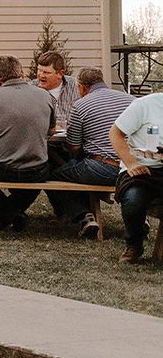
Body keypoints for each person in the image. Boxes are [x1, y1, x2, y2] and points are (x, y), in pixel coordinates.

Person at [0, 55, 55, 231]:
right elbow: (51, 130)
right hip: (37, 168)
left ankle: (6, 213)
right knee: (39, 176)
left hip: (1, 168)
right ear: (21, 72)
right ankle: (13, 213)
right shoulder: (44, 95)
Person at [47, 68, 135, 239]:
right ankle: (140, 218)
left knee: (54, 176)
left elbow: (73, 146)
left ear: (82, 87)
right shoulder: (131, 100)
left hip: (101, 167)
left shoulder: (80, 105)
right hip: (131, 166)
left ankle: (83, 216)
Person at [108, 93, 163, 263]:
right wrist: (131, 163)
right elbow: (115, 134)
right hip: (140, 169)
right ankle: (134, 245)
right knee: (133, 200)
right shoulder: (144, 105)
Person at [35, 51, 80, 127]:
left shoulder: (77, 86)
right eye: (39, 70)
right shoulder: (31, 89)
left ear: (60, 74)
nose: (41, 75)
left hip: (73, 137)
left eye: (46, 72)